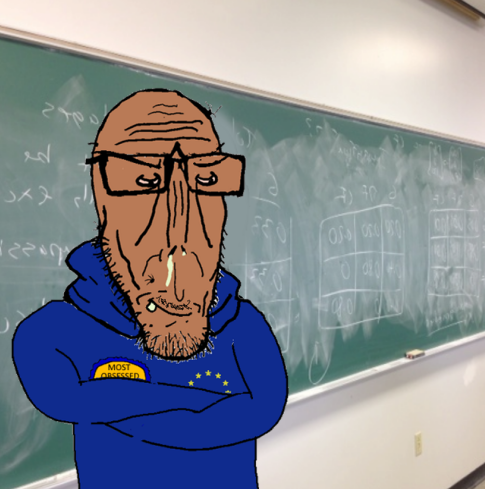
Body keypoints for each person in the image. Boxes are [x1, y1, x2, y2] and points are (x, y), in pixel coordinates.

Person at [12, 89, 288, 489]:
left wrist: (116, 400)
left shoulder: (241, 324)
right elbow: (57, 395)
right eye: (144, 181)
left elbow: (265, 409)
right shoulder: (58, 330)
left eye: (207, 179)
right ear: (101, 198)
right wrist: (199, 405)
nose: (179, 232)